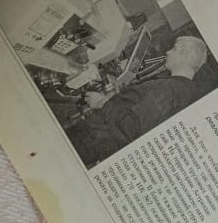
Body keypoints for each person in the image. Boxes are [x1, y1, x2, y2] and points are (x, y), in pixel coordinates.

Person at [68, 36, 209, 167]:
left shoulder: (170, 89)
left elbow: (132, 128)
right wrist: (120, 97)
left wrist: (102, 102)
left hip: (94, 138)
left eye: (174, 49)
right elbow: (144, 116)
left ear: (185, 55)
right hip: (103, 140)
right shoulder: (184, 90)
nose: (168, 52)